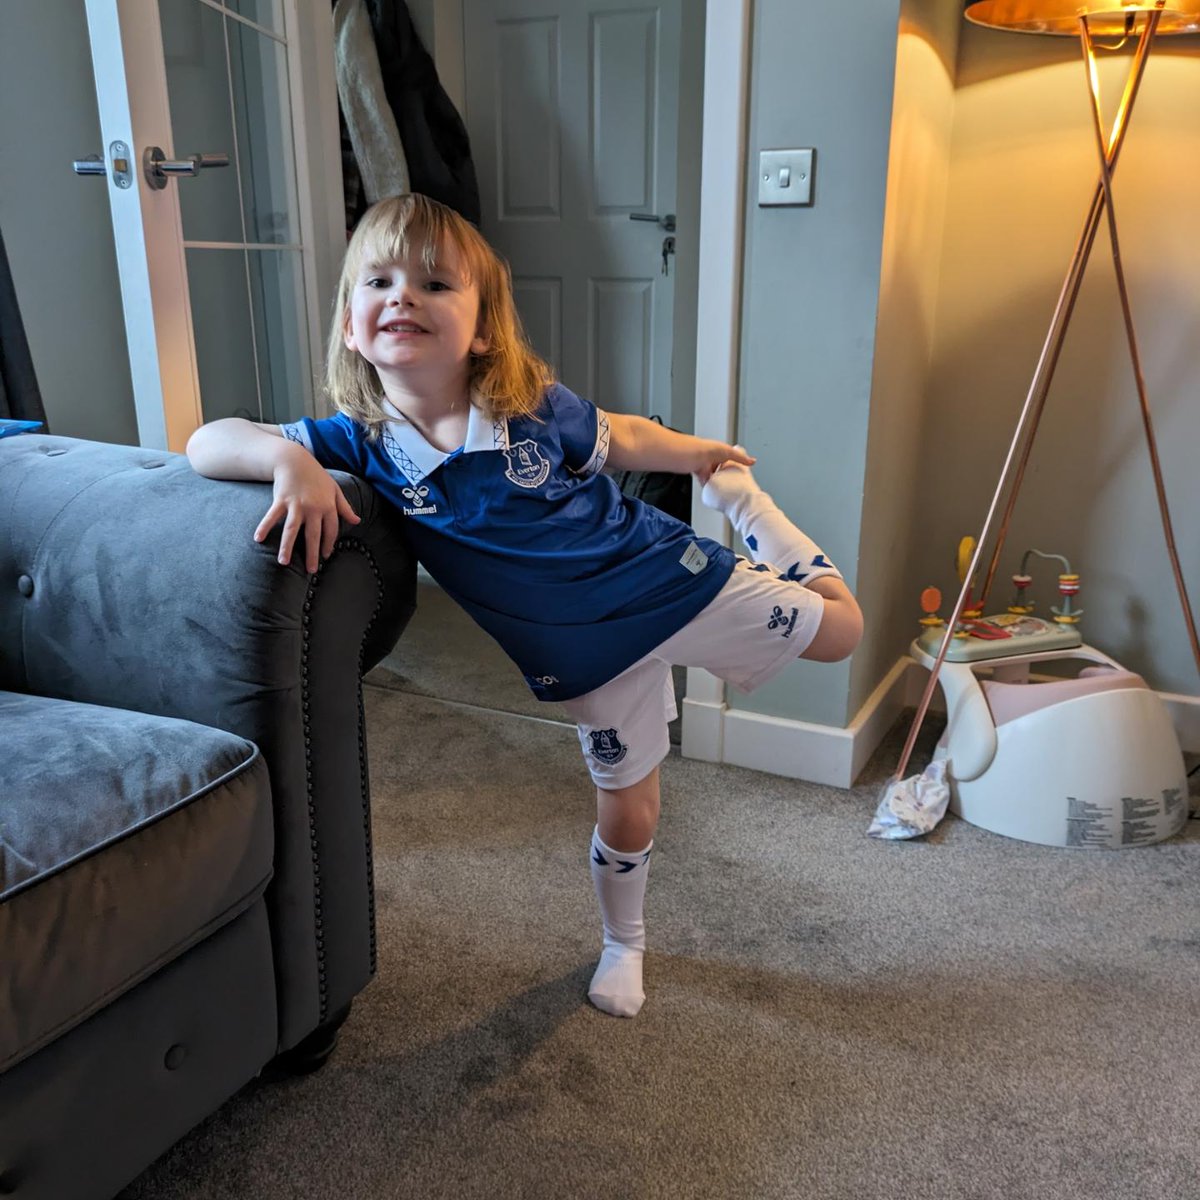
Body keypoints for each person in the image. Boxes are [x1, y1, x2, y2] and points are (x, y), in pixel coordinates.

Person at [187, 193, 863, 1020]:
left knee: (843, 633)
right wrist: (288, 462)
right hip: (583, 655)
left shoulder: (530, 406)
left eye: (435, 283)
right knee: (628, 804)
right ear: (351, 325)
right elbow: (206, 439)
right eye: (380, 280)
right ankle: (626, 943)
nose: (403, 296)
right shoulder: (355, 443)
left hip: (666, 577)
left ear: (480, 329)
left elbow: (621, 435)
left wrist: (704, 462)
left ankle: (753, 512)